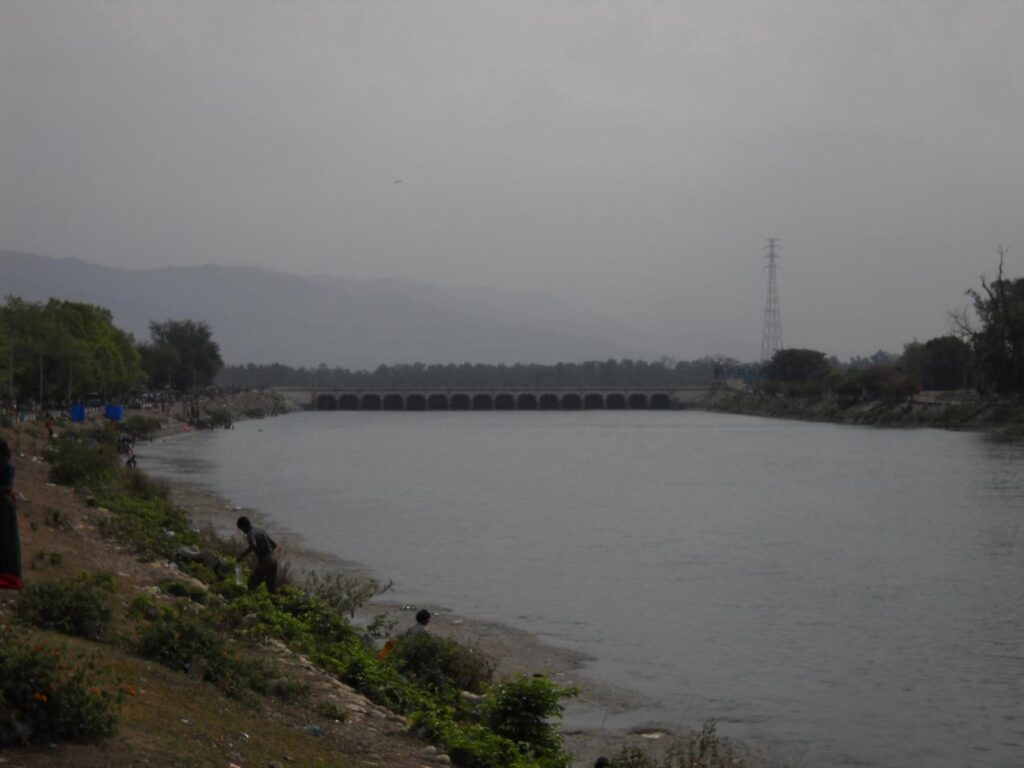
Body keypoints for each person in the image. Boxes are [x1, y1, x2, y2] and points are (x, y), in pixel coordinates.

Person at [236, 516, 278, 593]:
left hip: (265, 560)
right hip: (274, 558)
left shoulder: (250, 534)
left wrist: (242, 555)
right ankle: (276, 602)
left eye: (241, 529)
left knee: (251, 583)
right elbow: (274, 544)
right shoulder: (260, 530)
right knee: (271, 585)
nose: (242, 532)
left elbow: (253, 545)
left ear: (244, 527)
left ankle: (251, 601)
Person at [0, 440, 22, 590]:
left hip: (4, 508)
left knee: (6, 541)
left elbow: (8, 487)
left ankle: (8, 573)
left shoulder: (8, 467)